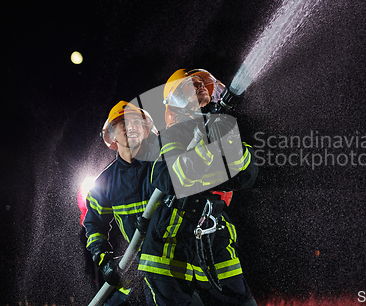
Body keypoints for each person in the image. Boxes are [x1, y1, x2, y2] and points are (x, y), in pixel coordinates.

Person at [138, 69, 259, 306]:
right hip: (170, 242)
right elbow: (170, 179)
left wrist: (231, 141)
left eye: (202, 83)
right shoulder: (170, 136)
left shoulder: (221, 127)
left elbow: (245, 176)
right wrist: (204, 145)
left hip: (214, 237)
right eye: (192, 84)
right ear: (175, 100)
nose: (201, 86)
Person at [84, 101, 158, 305]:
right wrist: (104, 261)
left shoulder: (163, 167)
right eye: (123, 123)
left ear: (145, 131)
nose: (131, 126)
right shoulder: (105, 182)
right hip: (136, 265)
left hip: (173, 262)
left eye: (136, 122)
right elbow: (94, 225)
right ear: (112, 136)